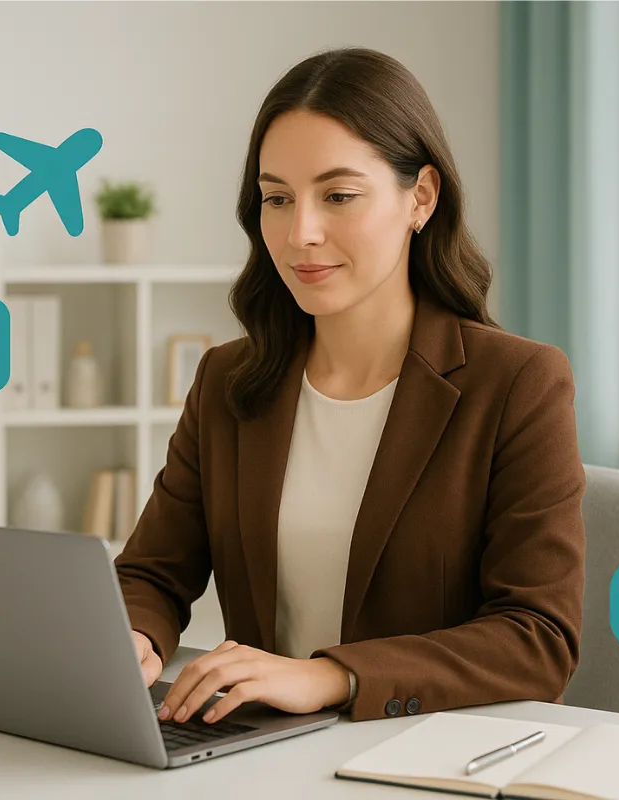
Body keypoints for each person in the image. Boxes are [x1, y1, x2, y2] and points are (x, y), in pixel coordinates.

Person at [113, 46, 586, 725]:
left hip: (434, 757)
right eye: (277, 198)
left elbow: (538, 639)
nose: (300, 232)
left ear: (420, 198)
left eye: (338, 196)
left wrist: (331, 676)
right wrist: (136, 637)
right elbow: (153, 572)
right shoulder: (229, 381)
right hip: (267, 756)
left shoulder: (518, 384)